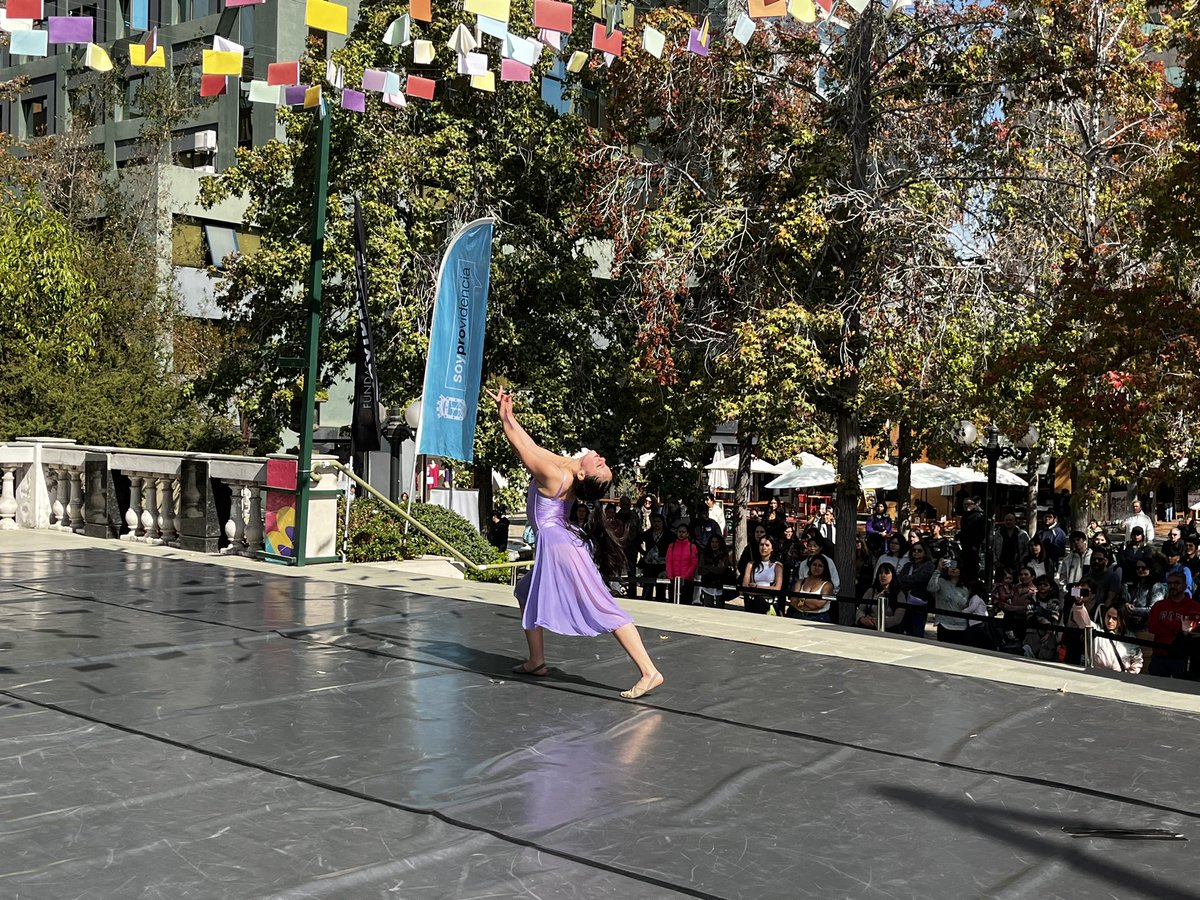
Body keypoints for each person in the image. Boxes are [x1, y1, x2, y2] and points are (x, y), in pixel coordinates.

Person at [491, 388, 662, 699]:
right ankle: (537, 660)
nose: (601, 458)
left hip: (561, 545)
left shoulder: (555, 477)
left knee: (602, 606)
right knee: (525, 591)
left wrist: (505, 420)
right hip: (561, 540)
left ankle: (649, 671)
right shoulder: (566, 466)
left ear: (584, 475)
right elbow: (533, 445)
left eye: (599, 465)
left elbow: (521, 448)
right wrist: (510, 416)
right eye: (602, 462)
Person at [1145, 572, 1200, 678]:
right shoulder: (1159, 606)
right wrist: (1178, 630)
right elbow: (1152, 627)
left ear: (1185, 586)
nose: (1172, 586)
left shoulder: (1195, 607)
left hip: (1182, 657)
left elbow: (1193, 631)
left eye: (1177, 583)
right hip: (1159, 655)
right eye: (1170, 583)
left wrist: (1165, 626)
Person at [928, 557, 972, 644]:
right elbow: (931, 588)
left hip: (961, 626)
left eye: (956, 566)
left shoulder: (965, 587)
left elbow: (967, 606)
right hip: (944, 624)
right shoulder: (941, 582)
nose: (953, 569)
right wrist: (938, 570)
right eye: (951, 565)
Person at [1090, 604, 1144, 674]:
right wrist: (1079, 604)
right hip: (1099, 675)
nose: (1110, 621)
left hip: (1120, 679)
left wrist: (1129, 677)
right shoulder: (1098, 630)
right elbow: (1084, 621)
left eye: (1114, 618)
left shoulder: (1130, 638)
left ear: (1122, 620)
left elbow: (1137, 661)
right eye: (1108, 616)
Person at [897, 542, 936, 637]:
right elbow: (898, 579)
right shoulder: (907, 565)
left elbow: (920, 578)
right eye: (914, 550)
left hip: (920, 604)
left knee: (917, 632)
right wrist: (908, 580)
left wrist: (907, 579)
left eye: (919, 550)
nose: (916, 552)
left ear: (925, 552)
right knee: (905, 631)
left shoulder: (929, 566)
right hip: (905, 603)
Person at [856, 563, 907, 632]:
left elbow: (897, 619)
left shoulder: (899, 594)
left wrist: (876, 621)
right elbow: (861, 609)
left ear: (893, 575)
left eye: (886, 573)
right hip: (868, 627)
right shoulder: (871, 591)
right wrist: (862, 619)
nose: (883, 575)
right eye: (880, 573)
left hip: (889, 630)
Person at [741, 534, 784, 615]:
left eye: (767, 545)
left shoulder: (778, 566)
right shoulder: (750, 564)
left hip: (770, 605)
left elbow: (777, 588)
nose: (764, 547)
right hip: (753, 604)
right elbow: (745, 586)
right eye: (761, 545)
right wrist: (767, 590)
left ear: (772, 548)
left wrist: (757, 587)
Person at [788, 554, 835, 621]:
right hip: (799, 615)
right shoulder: (800, 582)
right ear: (810, 566)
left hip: (819, 618)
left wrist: (801, 600)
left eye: (820, 566)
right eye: (814, 564)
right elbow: (793, 600)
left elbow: (818, 604)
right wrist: (809, 604)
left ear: (825, 569)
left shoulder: (828, 585)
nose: (816, 568)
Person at [1124, 556, 1165, 630]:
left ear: (1151, 568)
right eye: (1137, 568)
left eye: (1144, 568)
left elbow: (1154, 609)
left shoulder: (1157, 586)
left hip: (1146, 626)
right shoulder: (1135, 584)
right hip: (1130, 623)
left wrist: (1134, 610)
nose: (1140, 570)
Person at [695, 533, 735, 607]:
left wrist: (708, 567)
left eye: (716, 542)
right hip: (707, 585)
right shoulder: (705, 554)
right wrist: (713, 568)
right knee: (708, 607)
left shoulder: (724, 554)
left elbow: (721, 570)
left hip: (720, 585)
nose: (714, 544)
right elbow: (700, 570)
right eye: (712, 542)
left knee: (720, 607)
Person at [665, 523, 699, 604]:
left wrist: (685, 578)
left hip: (687, 581)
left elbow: (694, 564)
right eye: (679, 532)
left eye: (683, 532)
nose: (681, 534)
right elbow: (668, 562)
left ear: (687, 534)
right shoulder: (671, 546)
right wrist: (670, 577)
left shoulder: (692, 547)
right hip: (673, 581)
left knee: (686, 604)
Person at [957, 497, 986, 582]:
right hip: (966, 547)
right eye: (964, 504)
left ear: (974, 505)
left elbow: (980, 532)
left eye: (968, 504)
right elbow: (964, 530)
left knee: (973, 569)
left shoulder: (978, 516)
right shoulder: (964, 517)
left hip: (974, 547)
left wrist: (975, 544)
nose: (966, 506)